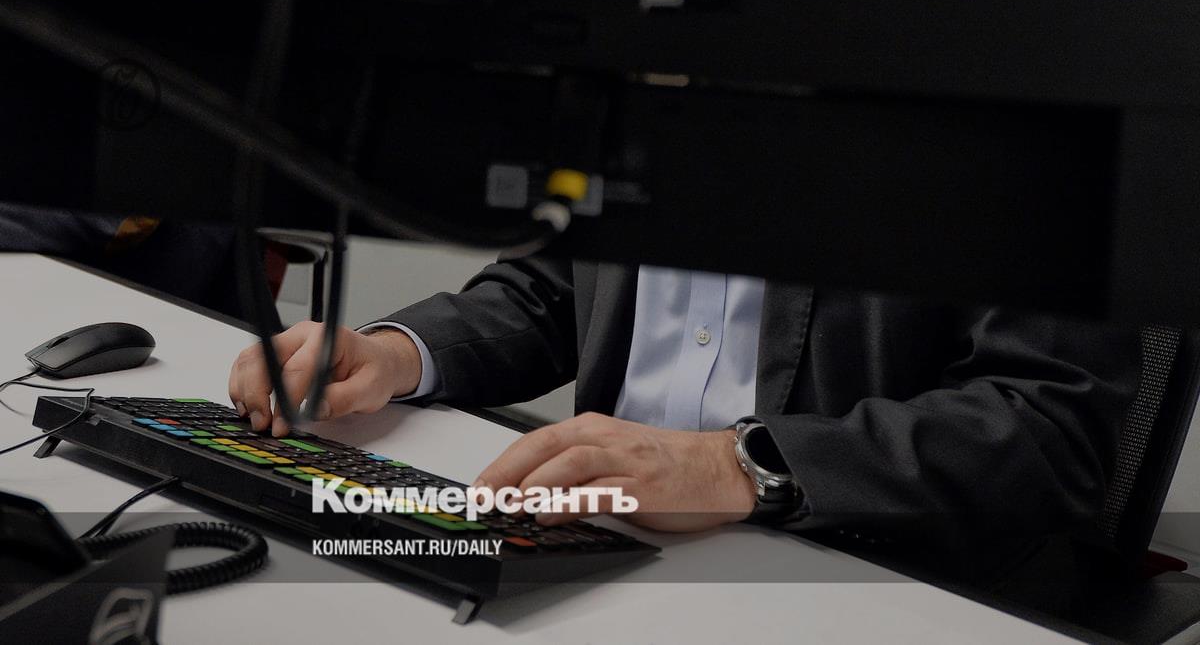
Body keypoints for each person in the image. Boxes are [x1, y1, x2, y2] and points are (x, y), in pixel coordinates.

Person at [227, 254, 1141, 570]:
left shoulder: (999, 70)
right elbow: (558, 288)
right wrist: (398, 352)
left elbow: (1050, 428)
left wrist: (737, 466)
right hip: (587, 545)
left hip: (838, 567)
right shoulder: (646, 43)